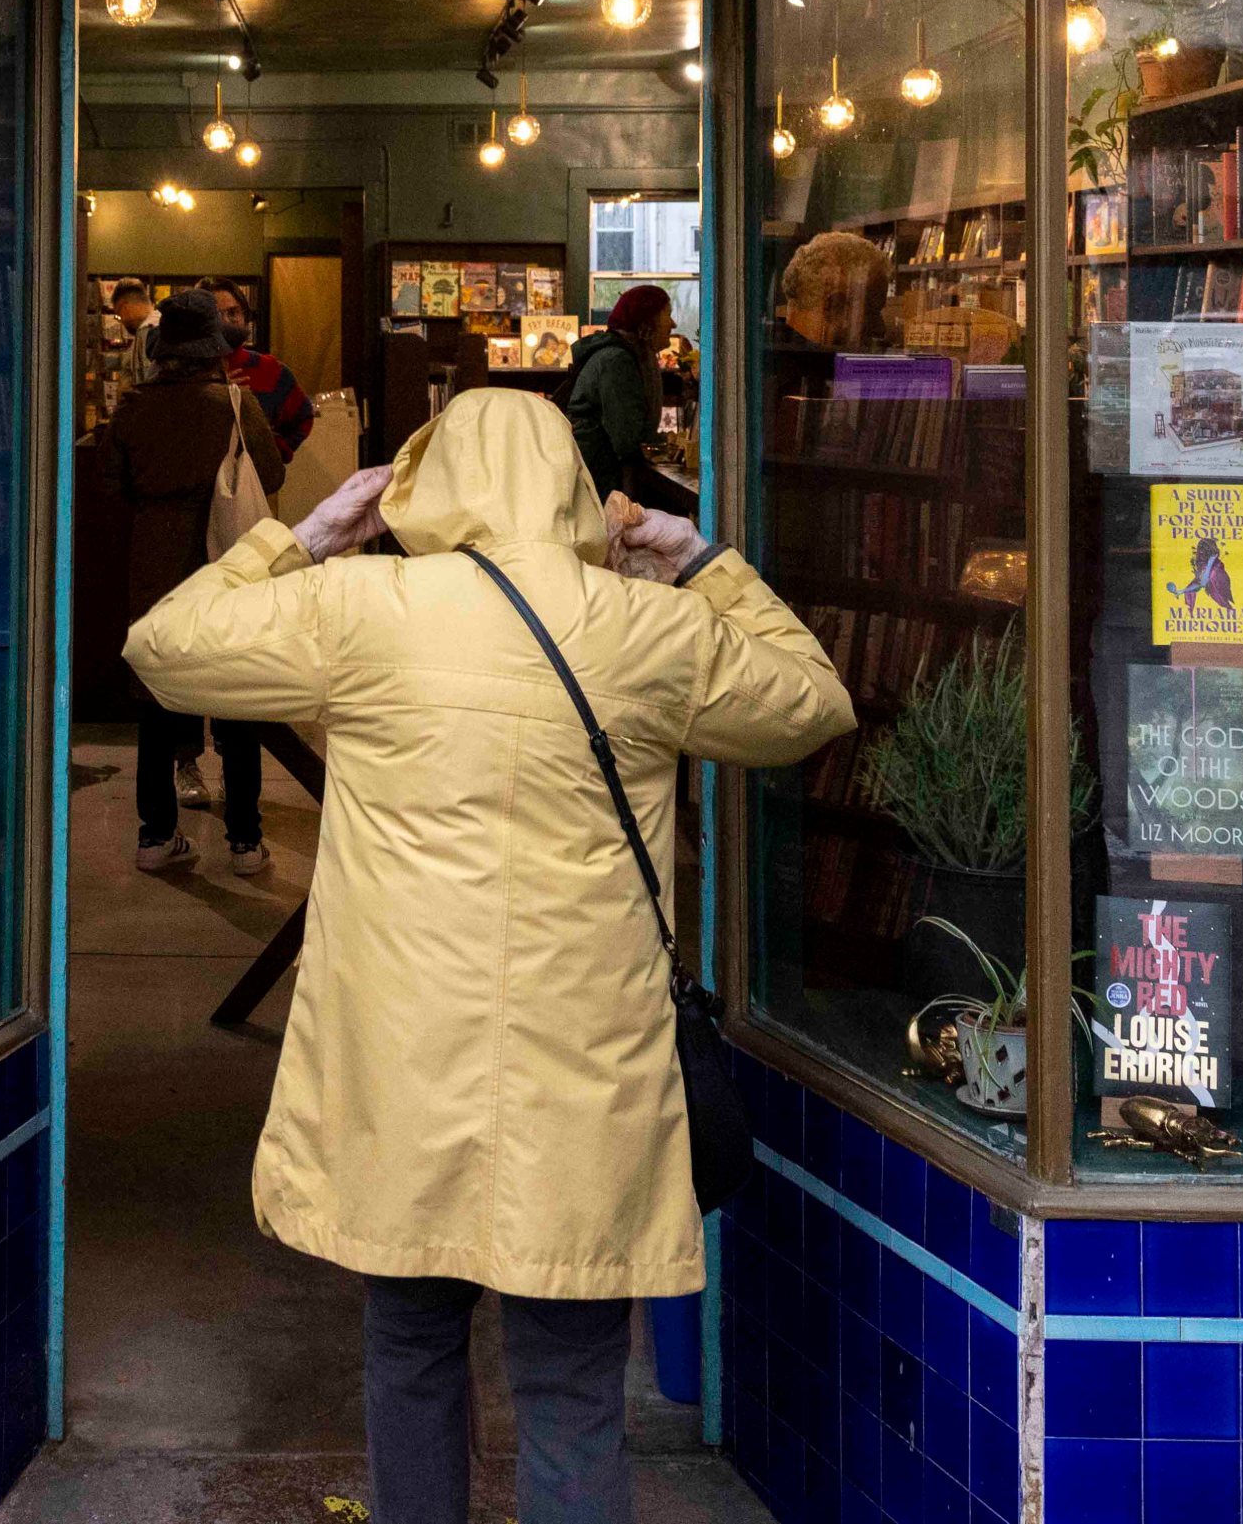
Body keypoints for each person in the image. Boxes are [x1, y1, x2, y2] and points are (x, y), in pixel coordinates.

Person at [127, 390, 853, 1524]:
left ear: (426, 480)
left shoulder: (365, 607)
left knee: (410, 1347)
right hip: (587, 1081)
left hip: (405, 1073)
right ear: (571, 484)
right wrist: (703, 557)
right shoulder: (643, 625)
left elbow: (161, 649)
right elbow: (812, 702)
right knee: (570, 1385)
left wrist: (305, 534)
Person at [98, 289, 287, 873]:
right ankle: (244, 841)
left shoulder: (132, 407)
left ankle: (156, 836)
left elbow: (111, 486)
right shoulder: (233, 404)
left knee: (158, 700)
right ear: (214, 350)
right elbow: (274, 472)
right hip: (227, 560)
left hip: (156, 566)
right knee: (237, 700)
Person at [562, 282, 677, 507]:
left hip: (597, 476)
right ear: (647, 323)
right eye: (667, 315)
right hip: (599, 482)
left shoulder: (635, 356)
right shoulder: (617, 361)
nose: (673, 324)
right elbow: (627, 438)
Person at [211, 280, 317, 451]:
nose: (225, 321)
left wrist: (275, 451)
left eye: (233, 312)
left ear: (245, 317)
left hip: (256, 475)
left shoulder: (270, 369)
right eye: (215, 314)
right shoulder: (188, 371)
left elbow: (303, 417)